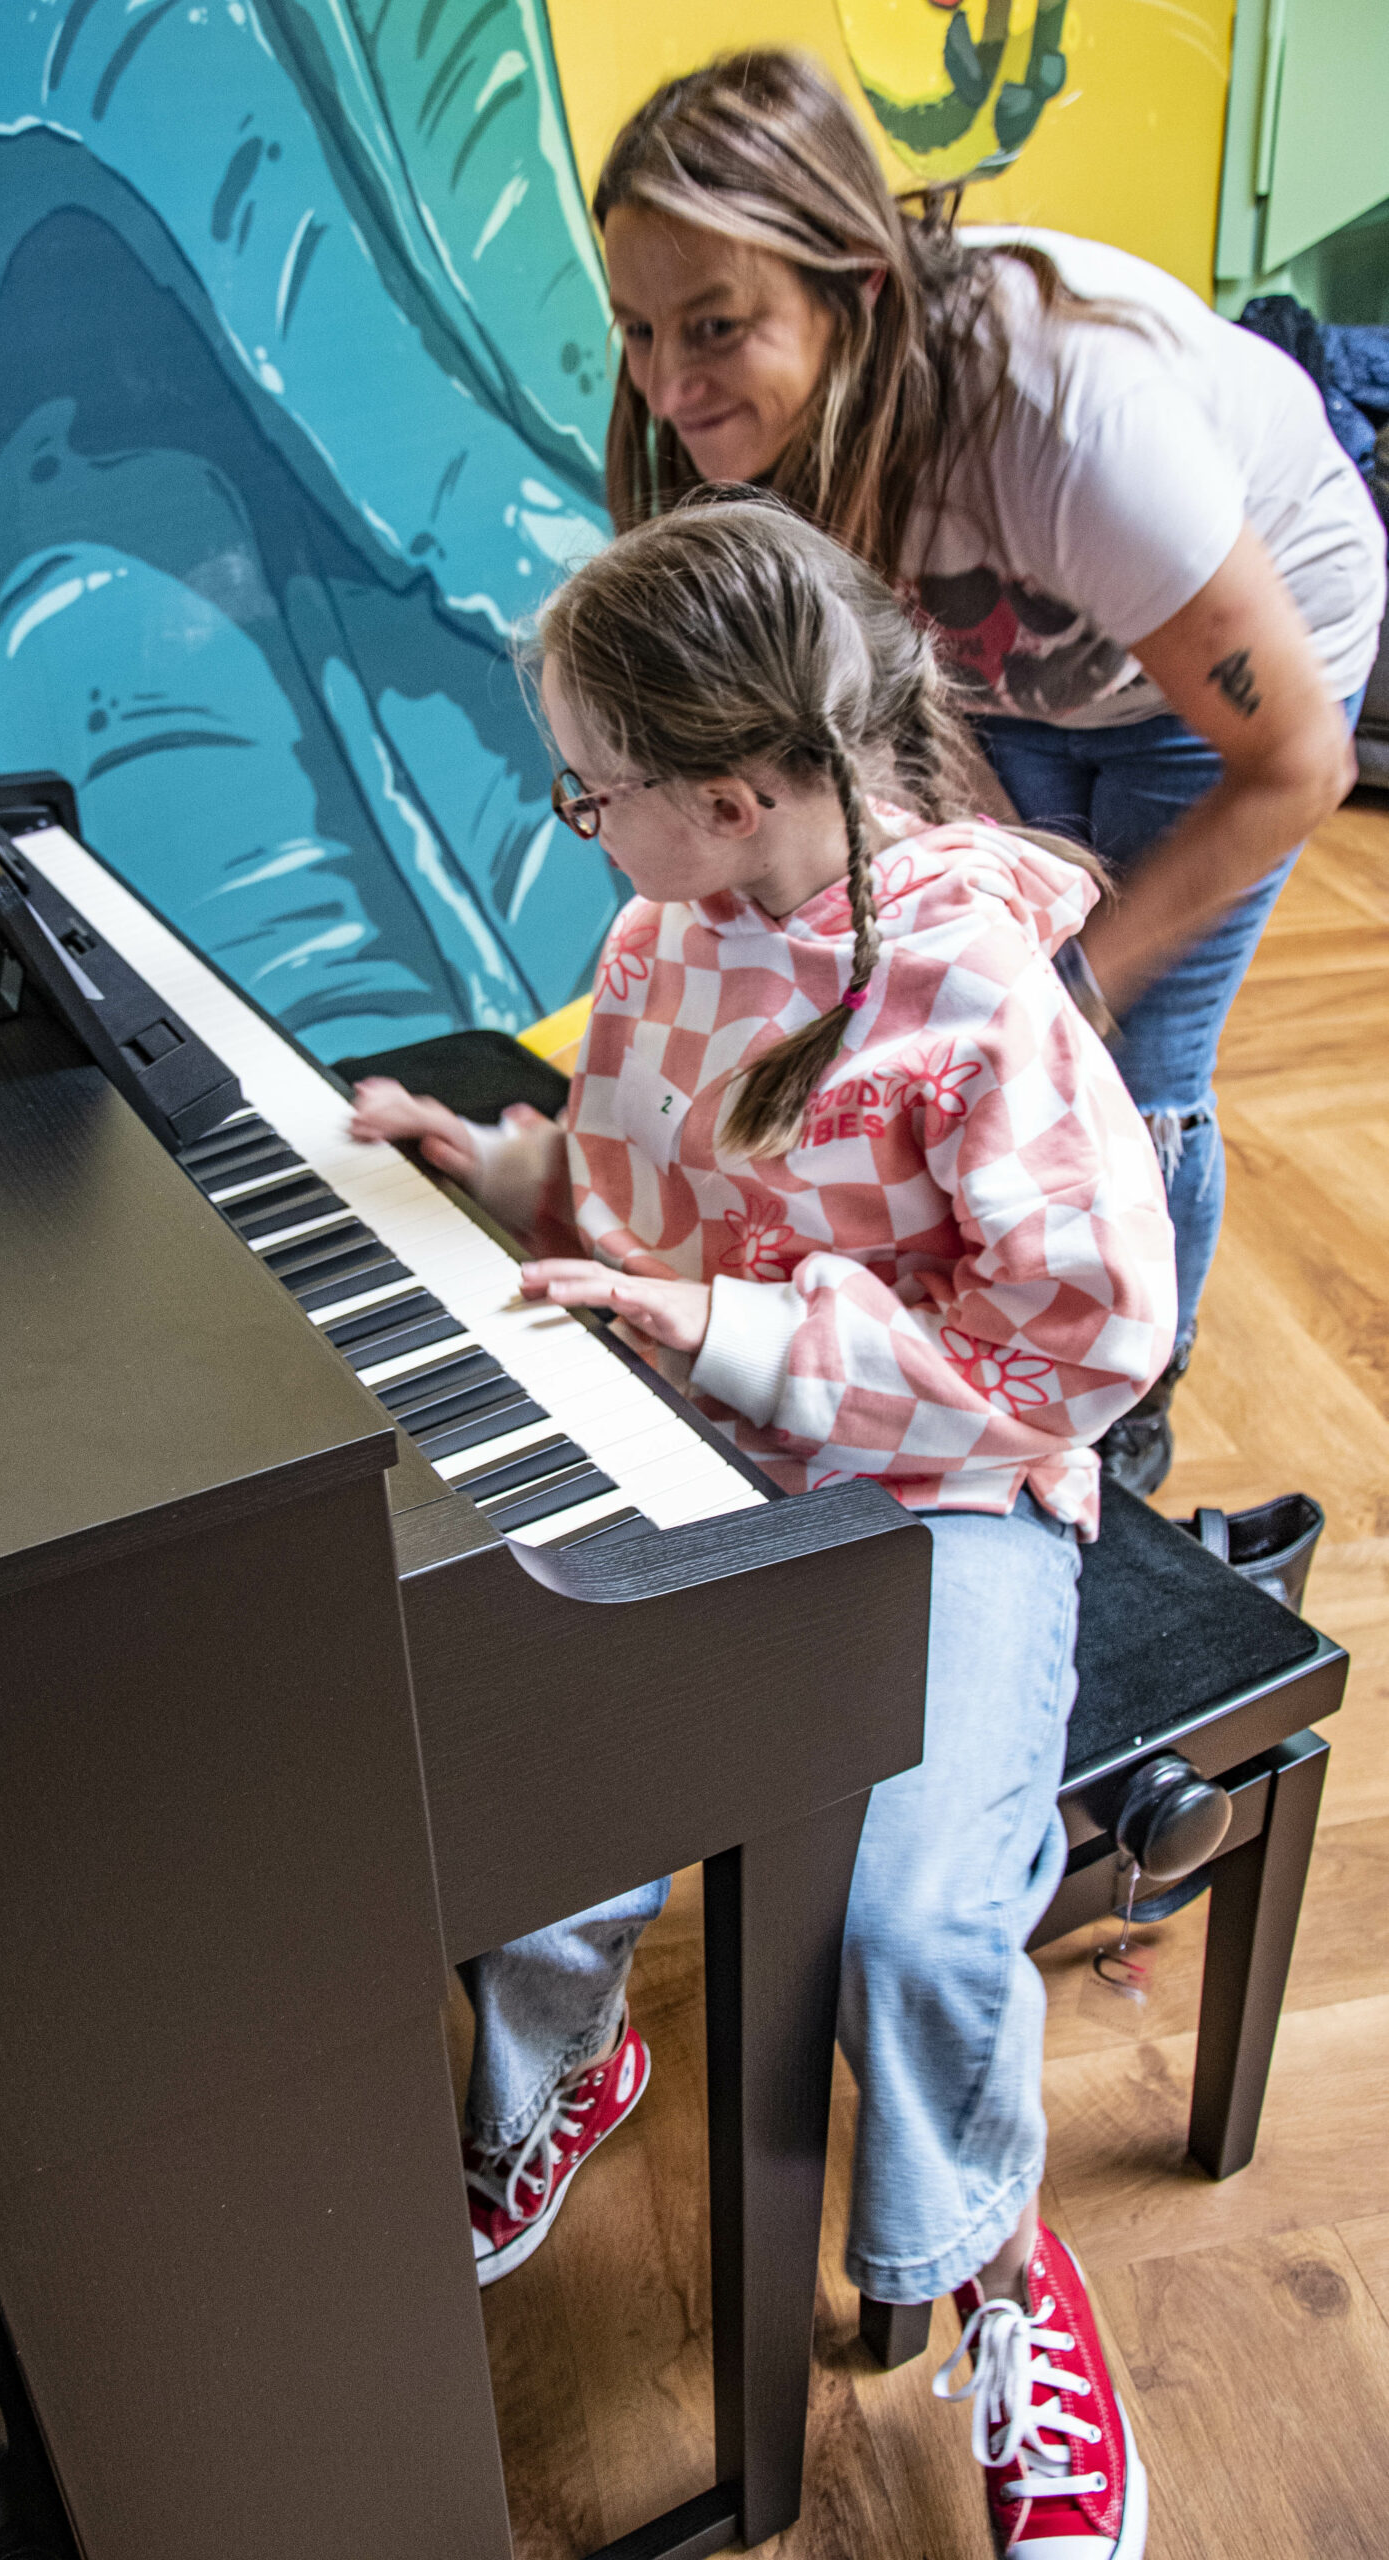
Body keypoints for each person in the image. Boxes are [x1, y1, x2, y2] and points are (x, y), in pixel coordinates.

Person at [350, 496, 1175, 2557]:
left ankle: (1000, 2266)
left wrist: (740, 1328)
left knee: (914, 1918)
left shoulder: (972, 985)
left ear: (730, 793)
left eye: (591, 791)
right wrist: (497, 1161)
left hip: (954, 1495)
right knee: (544, 1770)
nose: (582, 828)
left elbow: (1085, 1345)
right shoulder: (660, 938)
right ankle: (557, 2071)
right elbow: (632, 1199)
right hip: (712, 1453)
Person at [588, 49, 1386, 1490]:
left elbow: (1295, 762)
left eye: (714, 326)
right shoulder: (776, 428)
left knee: (1114, 1066)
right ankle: (939, 1335)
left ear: (855, 286)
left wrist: (1059, 989)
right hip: (1016, 660)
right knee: (961, 1008)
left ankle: (1122, 1393)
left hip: (1226, 691)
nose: (670, 384)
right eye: (639, 329)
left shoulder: (1072, 423)